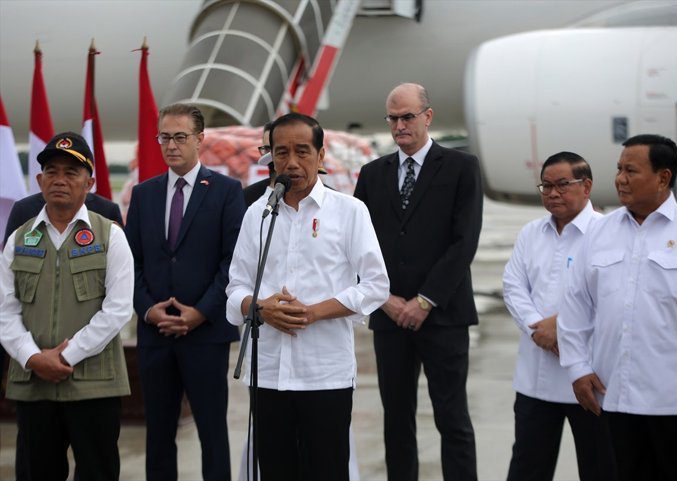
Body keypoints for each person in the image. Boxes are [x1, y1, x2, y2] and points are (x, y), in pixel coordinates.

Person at [226, 112, 389, 481]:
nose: (292, 163)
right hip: (267, 374)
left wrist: (315, 312)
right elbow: (235, 289)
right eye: (281, 153)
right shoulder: (257, 215)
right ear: (270, 158)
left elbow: (376, 285)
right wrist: (260, 308)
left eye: (302, 151)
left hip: (325, 375)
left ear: (321, 155)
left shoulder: (349, 212)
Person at [354, 83, 483, 481]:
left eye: (407, 117)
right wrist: (385, 299)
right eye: (392, 118)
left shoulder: (461, 167)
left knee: (452, 418)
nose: (399, 126)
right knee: (396, 420)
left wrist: (425, 300)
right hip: (390, 317)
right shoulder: (372, 174)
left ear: (428, 116)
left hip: (443, 315)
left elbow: (464, 241)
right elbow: (357, 244)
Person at [558, 134, 677, 481]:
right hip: (614, 400)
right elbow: (575, 305)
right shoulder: (600, 232)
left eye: (631, 171)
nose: (620, 179)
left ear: (663, 178)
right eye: (619, 169)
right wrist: (577, 368)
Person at [0, 132, 134, 480]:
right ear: (40, 180)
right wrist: (33, 357)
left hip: (94, 384)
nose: (59, 180)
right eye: (52, 171)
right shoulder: (19, 238)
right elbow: (5, 310)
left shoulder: (110, 236)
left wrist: (65, 357)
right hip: (34, 384)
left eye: (71, 172)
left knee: (98, 472)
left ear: (89, 183)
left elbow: (118, 309)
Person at [124, 103, 245, 481]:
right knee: (159, 435)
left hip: (206, 334)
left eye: (180, 137)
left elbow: (233, 262)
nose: (171, 145)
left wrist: (201, 312)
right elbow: (131, 262)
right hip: (156, 334)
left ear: (199, 140)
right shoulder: (143, 195)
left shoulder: (226, 191)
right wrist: (148, 309)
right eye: (165, 137)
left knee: (212, 432)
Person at [502, 152, 616, 481]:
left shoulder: (607, 233)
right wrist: (538, 330)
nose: (553, 193)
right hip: (535, 378)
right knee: (527, 468)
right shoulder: (531, 233)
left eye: (563, 185)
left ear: (587, 186)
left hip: (591, 378)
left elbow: (612, 294)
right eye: (546, 186)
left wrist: (562, 328)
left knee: (600, 468)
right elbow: (513, 285)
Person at [243, 121, 275, 207]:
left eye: (281, 149)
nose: (271, 156)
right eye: (267, 149)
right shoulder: (248, 197)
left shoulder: (308, 194)